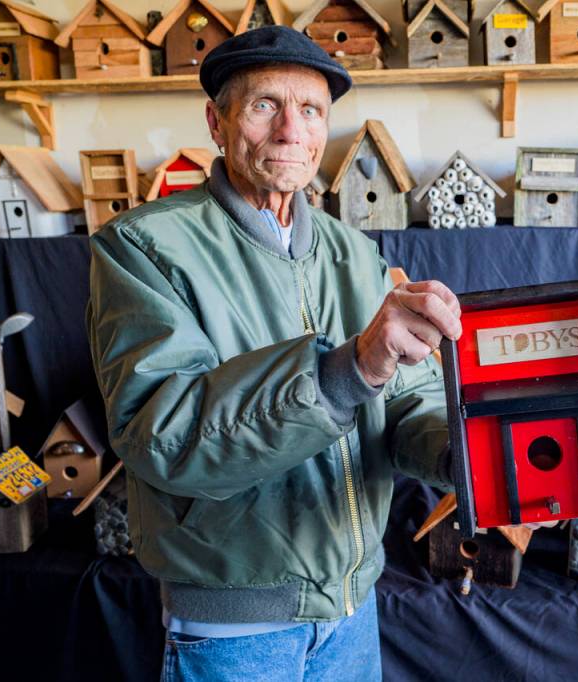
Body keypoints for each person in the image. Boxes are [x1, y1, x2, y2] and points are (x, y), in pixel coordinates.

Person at [85, 26, 462, 681]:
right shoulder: (142, 250)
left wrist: (468, 459)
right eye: (265, 105)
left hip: (351, 612)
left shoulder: (354, 252)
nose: (292, 129)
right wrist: (349, 370)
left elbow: (406, 403)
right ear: (217, 120)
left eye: (311, 110)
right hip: (234, 631)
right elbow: (163, 435)